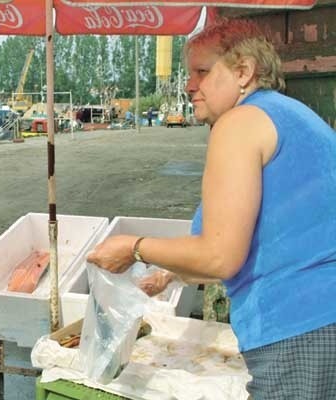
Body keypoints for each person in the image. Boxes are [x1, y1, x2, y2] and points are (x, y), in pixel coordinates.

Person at [87, 18, 336, 399]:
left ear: (243, 72)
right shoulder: (287, 114)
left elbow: (221, 256)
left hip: (299, 325)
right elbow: (273, 235)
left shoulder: (238, 124)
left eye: (202, 72)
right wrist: (170, 274)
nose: (189, 86)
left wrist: (132, 246)